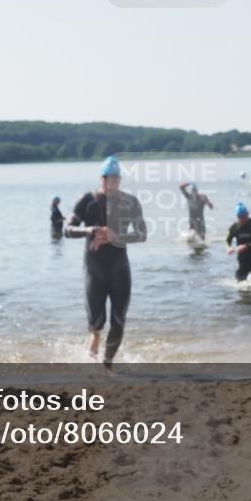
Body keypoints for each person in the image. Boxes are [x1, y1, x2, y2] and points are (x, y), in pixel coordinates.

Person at [65, 156, 147, 367]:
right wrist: (90, 230)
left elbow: (142, 234)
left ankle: (107, 364)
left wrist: (115, 237)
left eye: (115, 179)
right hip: (94, 269)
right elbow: (67, 230)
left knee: (118, 322)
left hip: (119, 268)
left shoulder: (130, 202)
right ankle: (94, 336)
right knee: (96, 321)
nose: (110, 183)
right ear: (101, 178)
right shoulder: (87, 200)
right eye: (106, 178)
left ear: (119, 180)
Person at [225, 203, 251, 281]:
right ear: (237, 216)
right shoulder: (234, 227)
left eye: (244, 216)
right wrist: (228, 248)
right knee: (240, 284)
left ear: (247, 214)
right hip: (242, 259)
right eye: (240, 217)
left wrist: (246, 246)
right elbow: (227, 240)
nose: (243, 219)